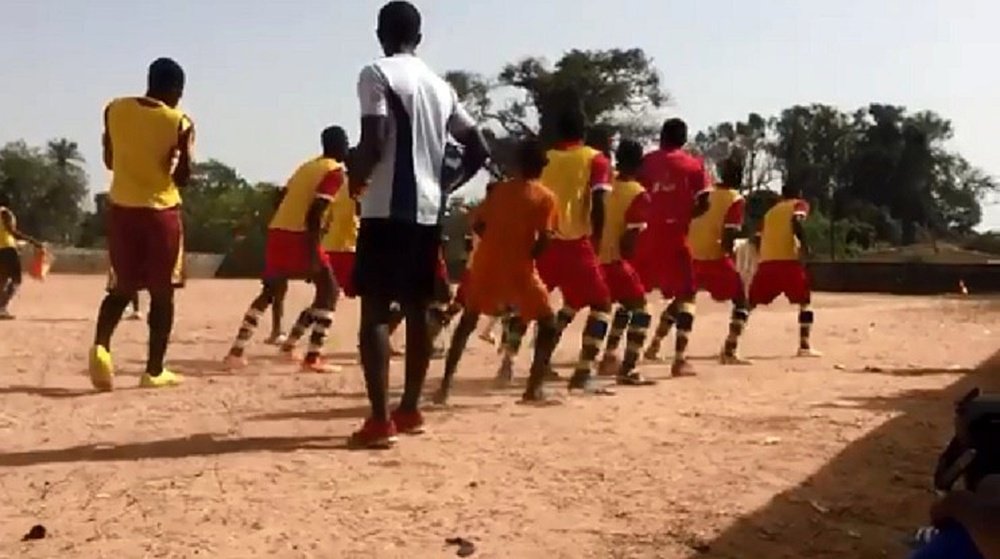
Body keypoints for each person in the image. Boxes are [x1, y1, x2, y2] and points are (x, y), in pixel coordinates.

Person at [348, 0, 489, 448]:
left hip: (385, 207)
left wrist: (356, 178)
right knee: (417, 309)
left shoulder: (377, 73)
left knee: (374, 311)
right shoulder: (440, 87)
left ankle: (378, 419)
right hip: (428, 210)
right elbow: (478, 147)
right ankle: (409, 408)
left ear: (379, 33)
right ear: (420, 38)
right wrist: (448, 182)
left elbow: (376, 137)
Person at [497, 89, 615, 395]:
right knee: (601, 304)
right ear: (584, 132)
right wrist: (598, 238)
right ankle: (583, 371)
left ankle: (507, 362)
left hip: (543, 243)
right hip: (576, 243)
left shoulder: (545, 159)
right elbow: (599, 201)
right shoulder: (595, 160)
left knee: (530, 304)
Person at [88, 57, 194, 391]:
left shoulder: (114, 109)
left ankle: (101, 348)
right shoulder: (179, 121)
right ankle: (154, 370)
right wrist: (172, 162)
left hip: (121, 209)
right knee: (162, 295)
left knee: (121, 288)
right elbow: (184, 176)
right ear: (176, 89)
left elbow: (109, 159)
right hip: (161, 213)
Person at [434, 140, 559, 405]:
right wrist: (528, 254)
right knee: (548, 323)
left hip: (485, 264)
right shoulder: (545, 197)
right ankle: (533, 388)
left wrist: (493, 242)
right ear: (541, 167)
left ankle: (444, 386)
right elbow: (545, 238)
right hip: (519, 268)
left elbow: (477, 222)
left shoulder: (498, 191)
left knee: (467, 321)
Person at [224, 126, 348, 373]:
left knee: (270, 291)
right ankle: (313, 356)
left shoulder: (307, 166)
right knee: (329, 289)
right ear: (340, 146)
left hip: (278, 229)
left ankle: (236, 351)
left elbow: (279, 196)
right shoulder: (335, 172)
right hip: (299, 235)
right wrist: (313, 248)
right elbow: (316, 212)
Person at [636, 118, 708, 376]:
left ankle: (613, 354)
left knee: (634, 296)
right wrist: (685, 215)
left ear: (661, 136)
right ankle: (679, 359)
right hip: (676, 235)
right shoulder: (694, 166)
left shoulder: (645, 162)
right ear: (684, 140)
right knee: (687, 295)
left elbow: (633, 193)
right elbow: (704, 202)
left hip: (644, 236)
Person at [595, 139, 657, 386]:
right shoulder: (638, 193)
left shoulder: (605, 185)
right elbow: (629, 242)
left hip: (594, 258)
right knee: (641, 309)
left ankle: (603, 358)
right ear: (640, 163)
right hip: (615, 260)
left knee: (601, 309)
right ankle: (628, 368)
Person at [688, 153, 752, 364]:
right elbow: (728, 235)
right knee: (741, 301)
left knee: (683, 299)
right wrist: (731, 254)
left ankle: (654, 345)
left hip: (692, 253)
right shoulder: (735, 199)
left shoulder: (706, 193)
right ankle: (730, 350)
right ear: (739, 176)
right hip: (715, 255)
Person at [747, 182, 821, 357]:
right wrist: (804, 246)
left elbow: (758, 236)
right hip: (788, 261)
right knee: (805, 301)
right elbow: (796, 220)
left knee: (749, 303)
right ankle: (804, 346)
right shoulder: (799, 205)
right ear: (799, 194)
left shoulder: (770, 212)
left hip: (767, 262)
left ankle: (730, 344)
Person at [0, 195, 44, 319]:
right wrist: (33, 241)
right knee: (16, 279)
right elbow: (12, 232)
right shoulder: (5, 213)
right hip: (7, 249)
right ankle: (2, 307)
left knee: (2, 279)